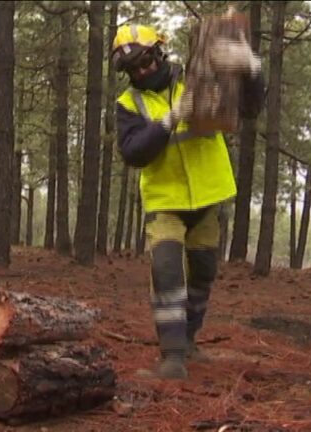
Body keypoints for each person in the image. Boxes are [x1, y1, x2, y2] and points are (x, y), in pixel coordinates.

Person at [111, 24, 264, 379]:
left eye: (145, 61)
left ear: (160, 53)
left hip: (208, 198)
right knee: (166, 269)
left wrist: (251, 67)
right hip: (165, 201)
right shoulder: (128, 104)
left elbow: (251, 107)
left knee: (203, 272)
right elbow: (133, 152)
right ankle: (172, 357)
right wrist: (170, 118)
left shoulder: (198, 80)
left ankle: (190, 341)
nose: (141, 72)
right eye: (132, 68)